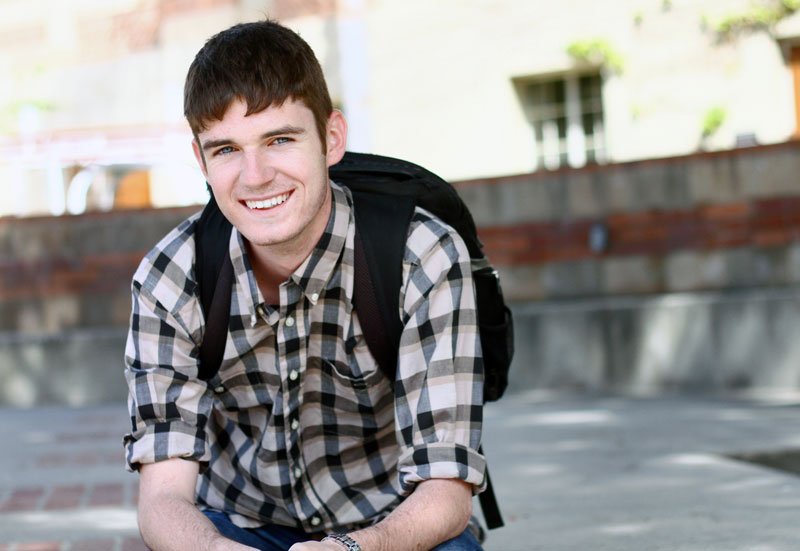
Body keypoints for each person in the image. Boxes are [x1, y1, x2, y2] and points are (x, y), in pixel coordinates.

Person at [123, 19, 486, 551]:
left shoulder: (421, 256)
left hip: (394, 526)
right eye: (226, 150)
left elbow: (447, 491)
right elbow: (162, 498)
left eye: (279, 139)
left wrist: (354, 548)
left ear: (331, 138)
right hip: (239, 526)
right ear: (200, 159)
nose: (255, 175)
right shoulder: (170, 278)